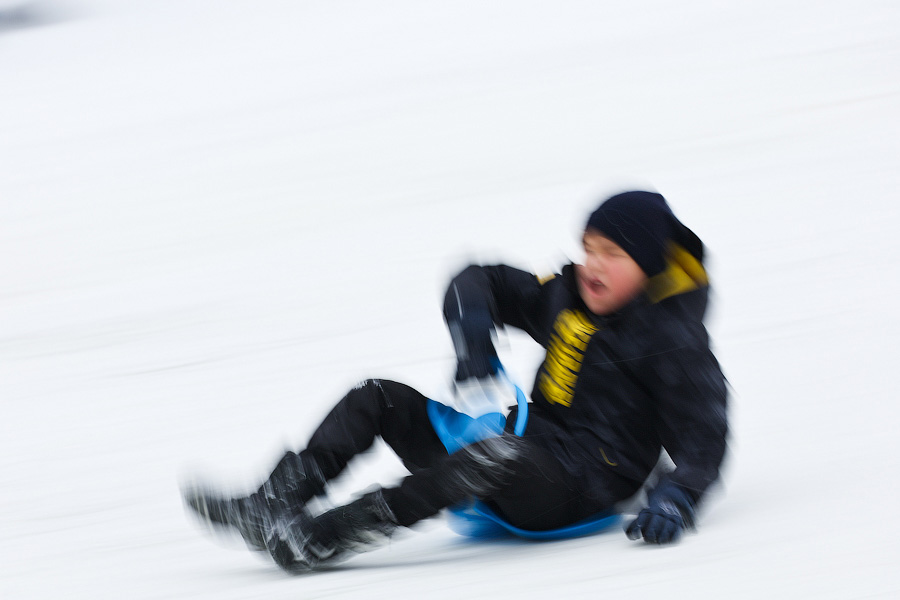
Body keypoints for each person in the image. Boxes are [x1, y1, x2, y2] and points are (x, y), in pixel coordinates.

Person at [183, 190, 729, 573]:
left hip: (578, 488)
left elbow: (705, 437)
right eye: (588, 247)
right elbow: (477, 279)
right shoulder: (568, 299)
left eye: (613, 253)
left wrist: (676, 498)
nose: (593, 264)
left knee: (492, 457)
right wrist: (473, 342)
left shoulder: (672, 338)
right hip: (520, 446)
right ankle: (273, 502)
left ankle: (323, 538)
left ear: (650, 266)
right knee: (378, 399)